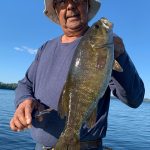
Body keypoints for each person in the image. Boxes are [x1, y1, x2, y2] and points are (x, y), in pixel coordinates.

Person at [10, 0, 145, 150]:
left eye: (77, 0)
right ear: (55, 10)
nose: (70, 6)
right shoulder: (45, 48)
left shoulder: (108, 49)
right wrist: (24, 100)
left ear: (87, 6)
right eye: (61, 1)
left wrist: (122, 57)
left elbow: (135, 99)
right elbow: (25, 83)